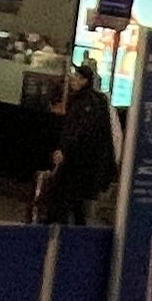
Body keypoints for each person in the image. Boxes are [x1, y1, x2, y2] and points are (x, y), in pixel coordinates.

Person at [41, 63, 115, 225]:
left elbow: (77, 130)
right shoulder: (93, 101)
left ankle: (53, 229)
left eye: (77, 77)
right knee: (75, 201)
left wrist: (63, 150)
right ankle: (70, 231)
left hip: (76, 160)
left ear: (85, 80)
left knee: (60, 194)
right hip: (84, 161)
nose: (73, 79)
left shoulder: (84, 103)